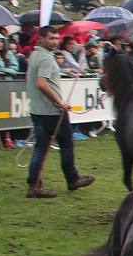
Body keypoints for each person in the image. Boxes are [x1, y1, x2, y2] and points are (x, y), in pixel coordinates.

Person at [25, 26, 94, 198]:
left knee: (40, 148)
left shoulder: (36, 54)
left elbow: (43, 77)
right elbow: (41, 83)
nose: (55, 41)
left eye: (57, 38)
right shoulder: (46, 59)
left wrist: (64, 72)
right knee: (66, 146)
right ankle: (72, 179)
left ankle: (33, 185)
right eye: (51, 38)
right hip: (52, 112)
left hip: (38, 110)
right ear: (41, 39)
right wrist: (60, 102)